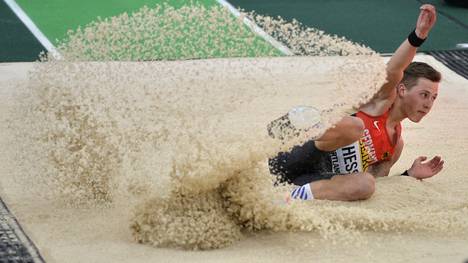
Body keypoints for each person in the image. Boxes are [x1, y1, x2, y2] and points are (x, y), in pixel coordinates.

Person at [269, 4, 444, 201]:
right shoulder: (379, 101)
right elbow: (394, 69)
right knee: (355, 126)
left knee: (366, 184)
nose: (429, 104)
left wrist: (409, 175)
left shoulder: (395, 146)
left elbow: (379, 183)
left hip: (314, 179)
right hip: (291, 153)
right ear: (402, 90)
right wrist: (418, 35)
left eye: (434, 98)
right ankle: (290, 126)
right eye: (424, 95)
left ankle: (287, 197)